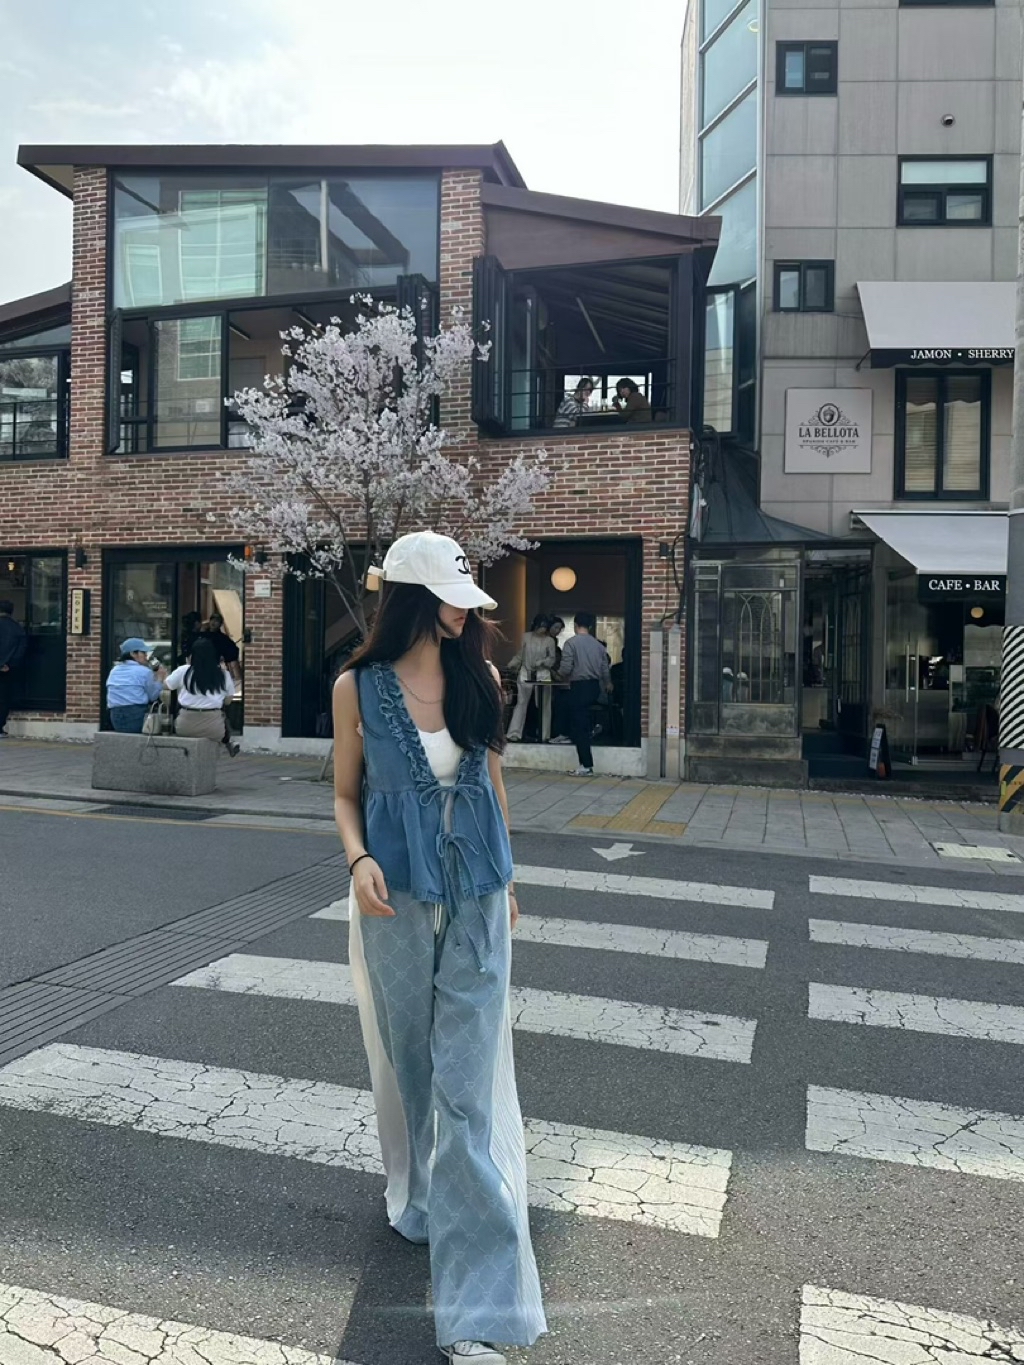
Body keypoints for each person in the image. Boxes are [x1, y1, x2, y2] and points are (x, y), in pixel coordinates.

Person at [332, 530, 546, 1365]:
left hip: (478, 898)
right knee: (414, 1066)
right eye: (453, 598)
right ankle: (422, 1195)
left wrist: (509, 879)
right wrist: (357, 859)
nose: (466, 612)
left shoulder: (479, 677)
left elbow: (492, 783)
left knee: (466, 1097)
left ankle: (477, 1315)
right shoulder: (356, 687)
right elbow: (345, 793)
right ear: (414, 600)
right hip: (394, 901)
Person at [555, 611, 611, 776]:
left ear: (575, 625)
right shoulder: (599, 646)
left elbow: (566, 668)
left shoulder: (571, 643)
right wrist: (608, 683)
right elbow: (604, 669)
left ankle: (586, 764)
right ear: (591, 626)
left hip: (578, 687)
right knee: (584, 721)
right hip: (594, 687)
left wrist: (558, 674)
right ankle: (586, 758)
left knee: (579, 726)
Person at [165, 637, 239, 755]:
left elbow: (167, 685)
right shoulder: (223, 675)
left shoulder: (184, 671)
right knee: (222, 714)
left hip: (185, 726)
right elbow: (228, 701)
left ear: (192, 656)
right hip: (213, 728)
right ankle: (228, 741)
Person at [506, 613, 556, 743]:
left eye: (545, 627)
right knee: (521, 703)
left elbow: (552, 659)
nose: (542, 629)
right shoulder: (526, 637)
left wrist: (543, 662)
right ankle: (514, 733)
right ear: (535, 625)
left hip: (543, 673)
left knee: (545, 704)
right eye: (541, 626)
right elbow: (520, 655)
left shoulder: (549, 641)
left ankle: (545, 734)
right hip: (526, 671)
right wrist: (512, 664)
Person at [105, 638, 167, 733]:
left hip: (115, 717)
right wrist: (159, 679)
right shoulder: (145, 671)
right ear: (133, 654)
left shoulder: (114, 671)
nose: (146, 655)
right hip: (136, 715)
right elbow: (153, 696)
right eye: (143, 652)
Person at [0, 599, 27, 737]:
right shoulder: (17, 628)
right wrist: (8, 664)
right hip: (7, 669)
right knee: (3, 698)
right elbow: (20, 650)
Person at [201, 612, 242, 681]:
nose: (213, 622)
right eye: (212, 620)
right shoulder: (203, 635)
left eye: (216, 621)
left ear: (220, 624)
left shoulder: (223, 639)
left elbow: (233, 651)